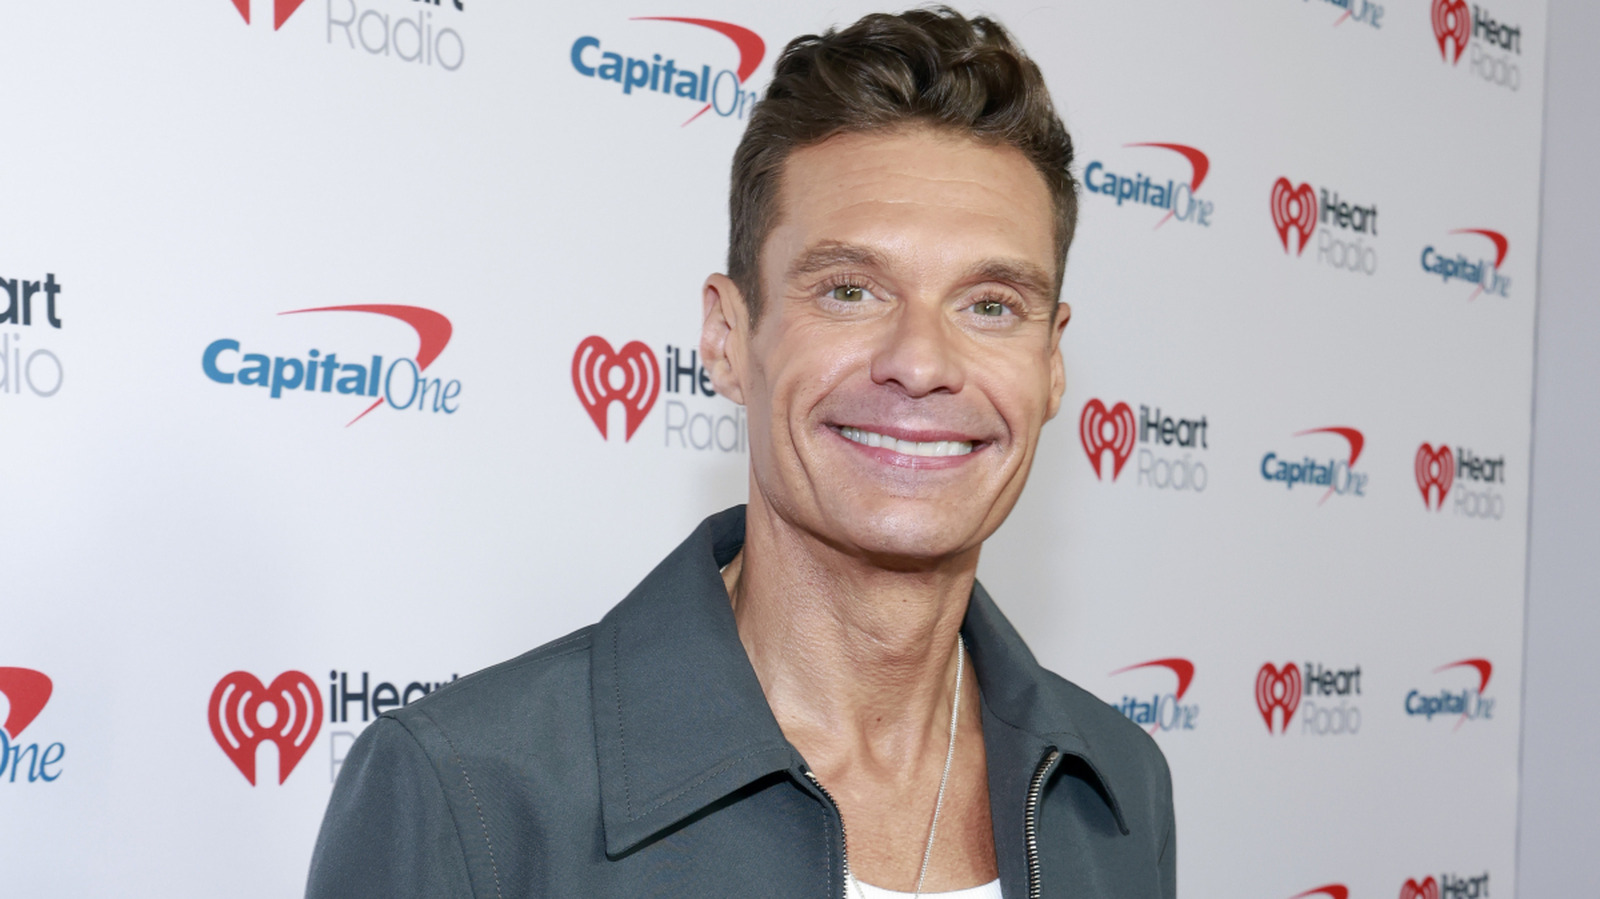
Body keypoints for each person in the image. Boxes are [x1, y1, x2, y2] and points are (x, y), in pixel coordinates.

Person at [306, 8, 1174, 898]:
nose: (921, 363)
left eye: (990, 305)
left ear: (1051, 364)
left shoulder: (1118, 787)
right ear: (727, 338)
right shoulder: (469, 795)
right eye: (850, 290)